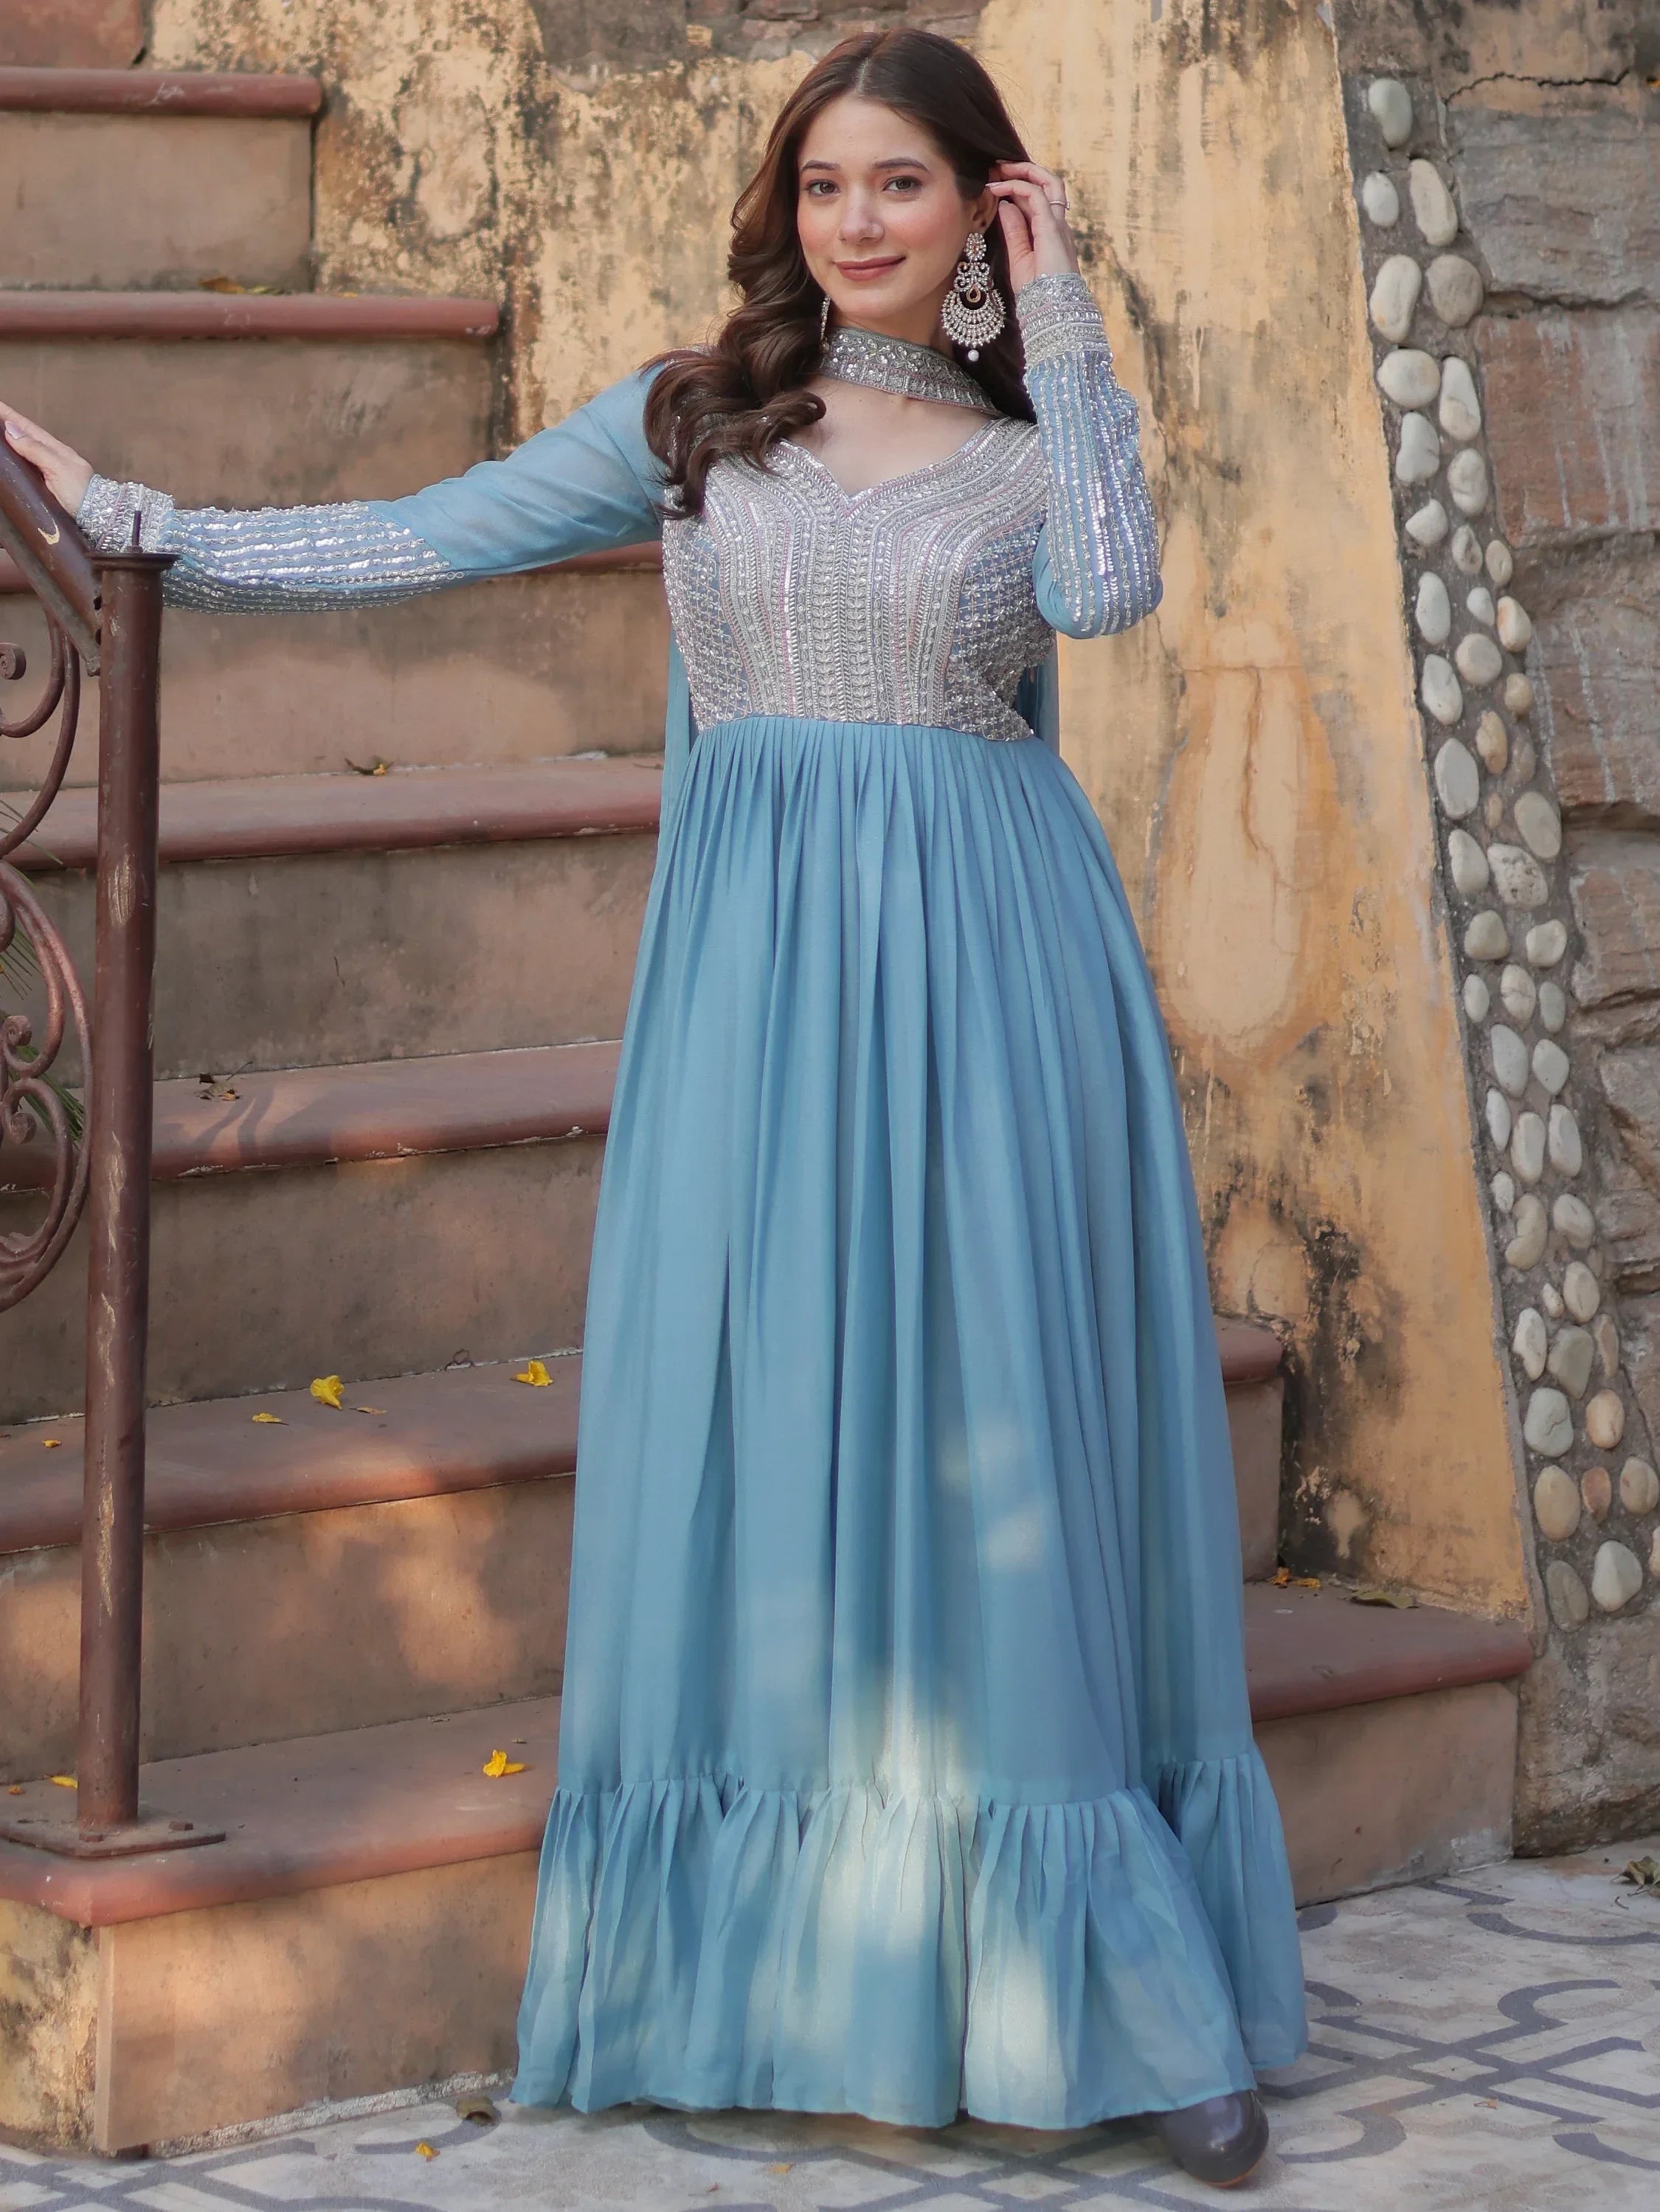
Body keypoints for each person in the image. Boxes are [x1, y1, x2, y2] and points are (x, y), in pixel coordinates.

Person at [4, 27, 1307, 2188]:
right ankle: (776, 1972)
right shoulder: (691, 426)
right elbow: (418, 540)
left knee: (983, 1427)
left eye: (902, 187)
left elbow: (1105, 589)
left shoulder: (1026, 454)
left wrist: (1063, 315)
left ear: (978, 210)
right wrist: (133, 523)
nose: (855, 224)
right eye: (823, 188)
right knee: (776, 1424)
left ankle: (1112, 1993)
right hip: (753, 991)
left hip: (994, 984)